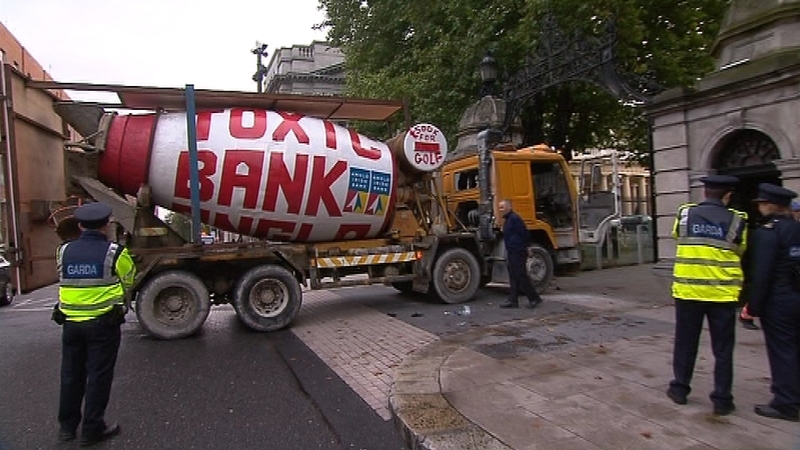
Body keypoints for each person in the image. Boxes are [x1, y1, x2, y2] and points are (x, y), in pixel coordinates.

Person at [54, 202, 136, 445]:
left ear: (79, 225)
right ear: (106, 225)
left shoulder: (64, 251)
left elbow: (62, 276)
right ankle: (92, 429)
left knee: (70, 374)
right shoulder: (115, 252)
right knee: (98, 375)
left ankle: (67, 427)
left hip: (70, 324)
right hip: (103, 324)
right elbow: (129, 278)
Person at [667, 175, 747, 416]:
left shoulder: (685, 214)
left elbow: (676, 237)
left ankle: (680, 389)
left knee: (685, 343)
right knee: (722, 349)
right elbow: (741, 249)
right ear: (728, 195)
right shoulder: (738, 220)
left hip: (688, 292)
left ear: (705, 193)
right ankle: (722, 399)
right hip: (722, 295)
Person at [744, 183, 800, 422]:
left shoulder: (767, 232)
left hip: (779, 300)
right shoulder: (796, 229)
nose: (759, 206)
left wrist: (752, 308)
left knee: (782, 351)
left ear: (769, 205)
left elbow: (761, 274)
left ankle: (786, 403)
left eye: (760, 203)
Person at [498, 199, 543, 308]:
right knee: (513, 276)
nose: (500, 210)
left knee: (521, 275)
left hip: (518, 251)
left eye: (502, 207)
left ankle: (534, 298)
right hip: (512, 251)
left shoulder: (515, 219)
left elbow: (524, 233)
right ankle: (513, 301)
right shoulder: (508, 220)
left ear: (509, 207)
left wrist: (527, 247)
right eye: (499, 207)